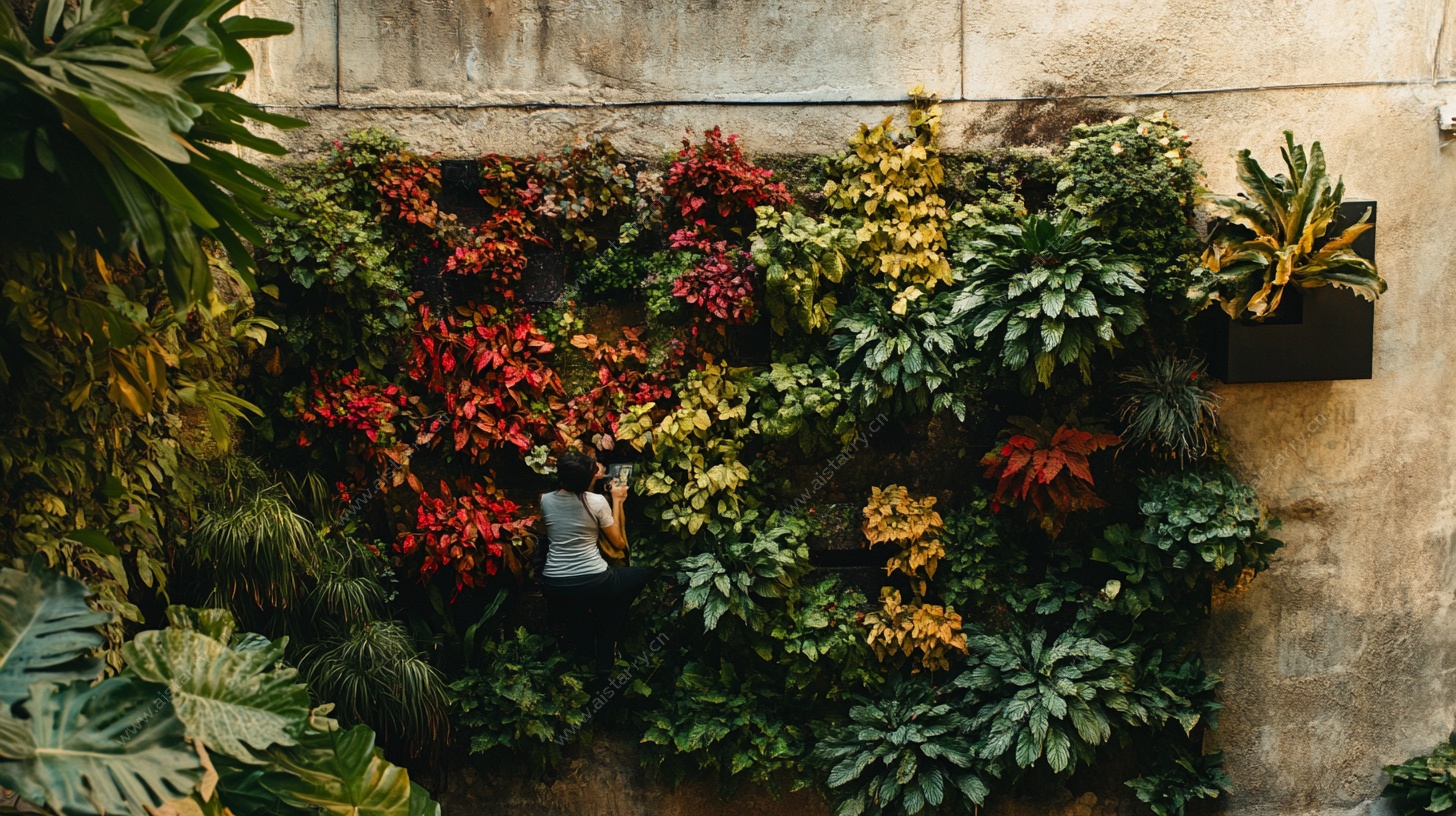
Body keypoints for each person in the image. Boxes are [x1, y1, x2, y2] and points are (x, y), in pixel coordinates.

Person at [538, 451, 649, 681]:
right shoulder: (596, 502)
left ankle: (585, 654)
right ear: (587, 480)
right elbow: (618, 544)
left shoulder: (544, 500)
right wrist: (617, 501)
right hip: (594, 582)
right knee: (639, 576)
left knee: (578, 614)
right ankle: (607, 641)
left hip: (554, 585)